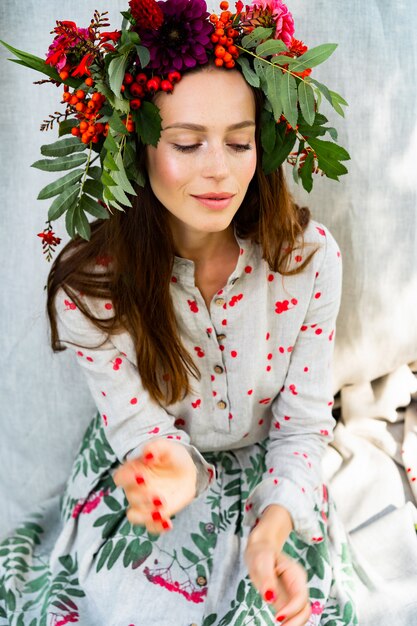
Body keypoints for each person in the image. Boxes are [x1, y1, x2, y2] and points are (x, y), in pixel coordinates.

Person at [0, 2, 358, 625]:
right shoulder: (93, 291)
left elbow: (301, 429)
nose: (218, 168)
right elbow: (140, 428)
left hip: (270, 476)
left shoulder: (308, 262)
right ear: (135, 149)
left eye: (239, 142)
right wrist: (164, 470)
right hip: (155, 476)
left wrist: (274, 527)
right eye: (187, 143)